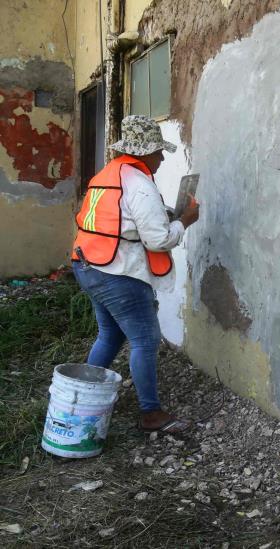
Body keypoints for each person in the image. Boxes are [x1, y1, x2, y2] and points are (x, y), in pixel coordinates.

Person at [71, 115, 200, 433]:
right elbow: (157, 239)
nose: (161, 158)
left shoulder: (108, 174)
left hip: (88, 264)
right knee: (145, 339)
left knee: (110, 334)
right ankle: (151, 414)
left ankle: (79, 397)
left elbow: (119, 218)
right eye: (158, 152)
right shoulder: (140, 184)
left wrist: (166, 214)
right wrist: (185, 221)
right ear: (142, 152)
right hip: (117, 272)